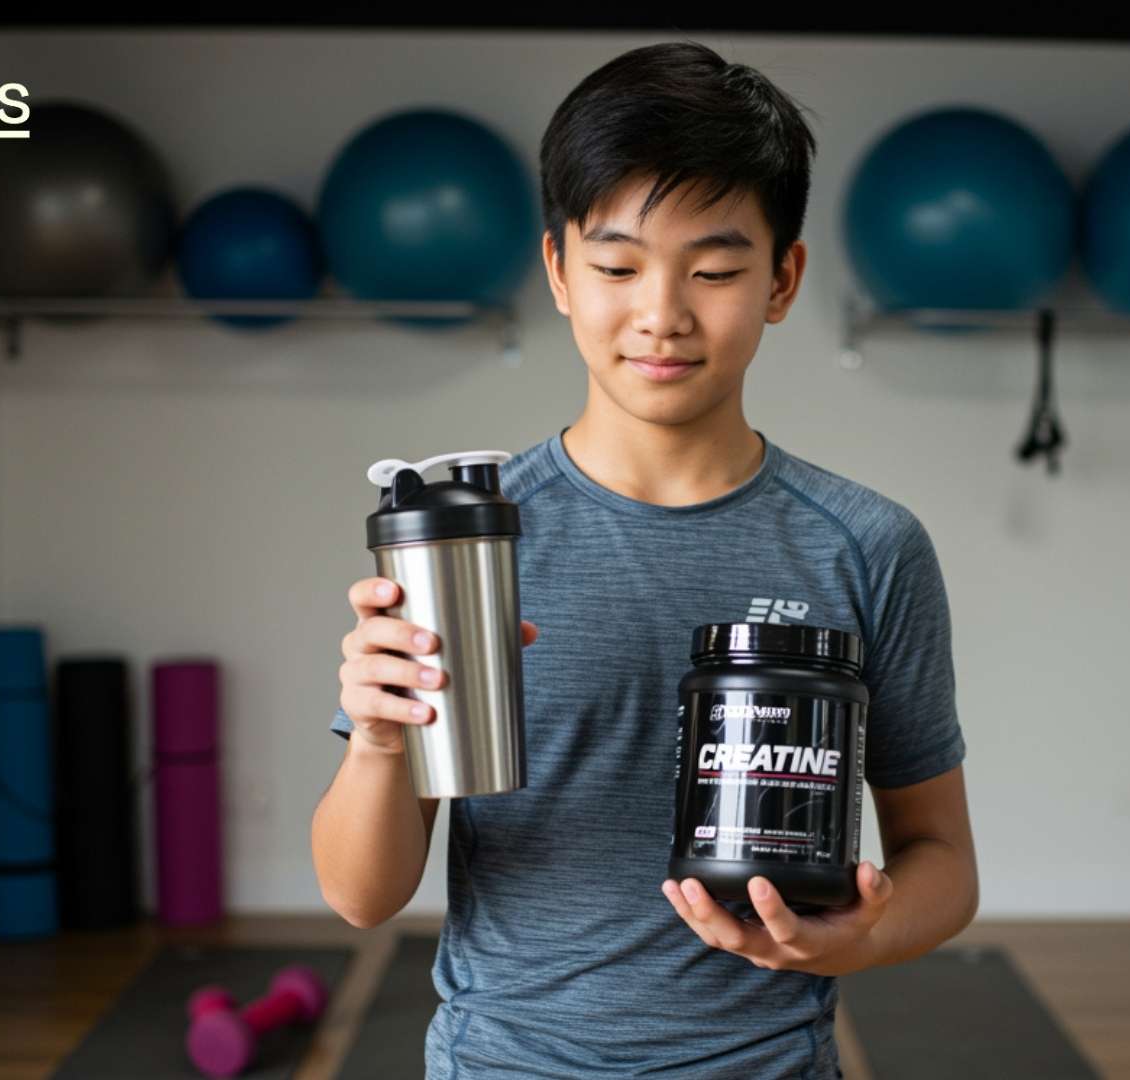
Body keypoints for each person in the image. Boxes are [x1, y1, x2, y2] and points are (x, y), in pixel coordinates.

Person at [311, 40, 976, 1080]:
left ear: (783, 280)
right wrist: (381, 744)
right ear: (558, 273)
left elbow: (943, 861)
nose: (661, 314)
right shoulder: (470, 539)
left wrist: (860, 936)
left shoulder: (868, 545)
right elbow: (360, 894)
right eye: (618, 266)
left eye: (713, 271)